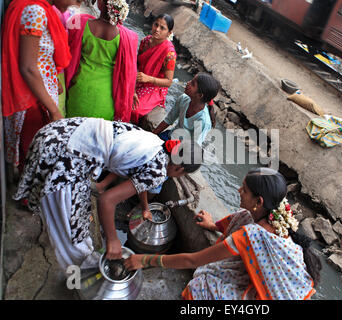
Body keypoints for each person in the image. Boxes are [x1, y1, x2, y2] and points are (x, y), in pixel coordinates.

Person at [13, 117, 204, 269]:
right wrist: (113, 241)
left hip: (56, 134)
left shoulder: (155, 143)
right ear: (179, 169)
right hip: (66, 157)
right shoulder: (159, 171)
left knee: (80, 209)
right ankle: (81, 271)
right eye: (183, 174)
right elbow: (106, 201)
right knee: (74, 235)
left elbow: (139, 180)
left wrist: (144, 207)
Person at [125, 167, 322, 300]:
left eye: (244, 190)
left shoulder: (253, 235)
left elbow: (193, 261)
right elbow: (237, 224)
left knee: (202, 284)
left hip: (270, 295)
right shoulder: (270, 217)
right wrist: (213, 225)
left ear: (259, 202)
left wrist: (144, 260)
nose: (238, 190)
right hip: (278, 284)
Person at [1, 0, 81, 173]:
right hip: (33, 100)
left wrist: (54, 80)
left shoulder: (41, 9)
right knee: (32, 154)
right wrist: (54, 111)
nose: (77, 3)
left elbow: (40, 55)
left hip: (38, 96)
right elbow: (28, 68)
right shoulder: (36, 11)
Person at [65, 0, 138, 122]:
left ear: (99, 4)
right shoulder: (129, 38)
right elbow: (130, 73)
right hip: (106, 99)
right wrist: (133, 92)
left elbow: (66, 52)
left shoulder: (80, 23)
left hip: (79, 92)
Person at [130, 13, 177, 126]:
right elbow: (137, 63)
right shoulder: (145, 41)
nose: (157, 29)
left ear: (169, 33)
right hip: (139, 78)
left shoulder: (170, 54)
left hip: (154, 87)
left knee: (134, 109)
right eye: (156, 25)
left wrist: (148, 79)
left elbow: (168, 82)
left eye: (162, 28)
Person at [152, 72, 221, 146]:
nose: (188, 82)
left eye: (193, 84)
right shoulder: (183, 98)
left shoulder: (203, 121)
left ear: (200, 95)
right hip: (170, 136)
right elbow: (169, 120)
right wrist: (152, 135)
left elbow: (194, 146)